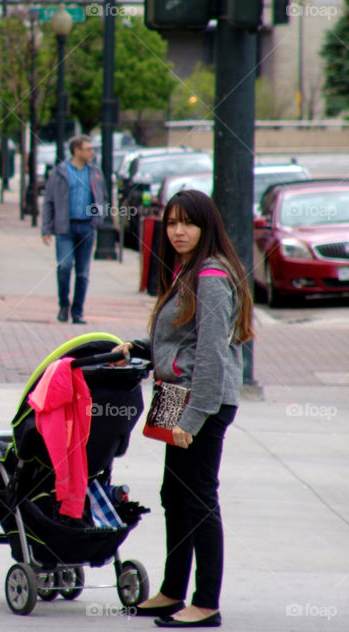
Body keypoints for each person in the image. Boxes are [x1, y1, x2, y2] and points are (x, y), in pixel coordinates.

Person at [112, 189, 254, 628]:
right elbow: (182, 340)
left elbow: (211, 355)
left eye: (187, 223)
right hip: (178, 394)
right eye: (172, 223)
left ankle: (206, 602)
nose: (177, 231)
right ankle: (173, 591)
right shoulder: (189, 270)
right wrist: (138, 348)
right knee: (174, 496)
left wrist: (192, 420)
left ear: (205, 226)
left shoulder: (210, 276)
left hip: (202, 403)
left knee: (199, 501)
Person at [40, 134, 108, 324]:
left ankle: (77, 312)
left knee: (82, 273)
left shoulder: (95, 172)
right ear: (77, 150)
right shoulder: (60, 172)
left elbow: (103, 196)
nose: (92, 152)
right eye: (88, 149)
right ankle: (64, 304)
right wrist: (46, 228)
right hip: (65, 228)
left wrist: (99, 216)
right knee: (64, 266)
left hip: (87, 226)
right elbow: (48, 201)